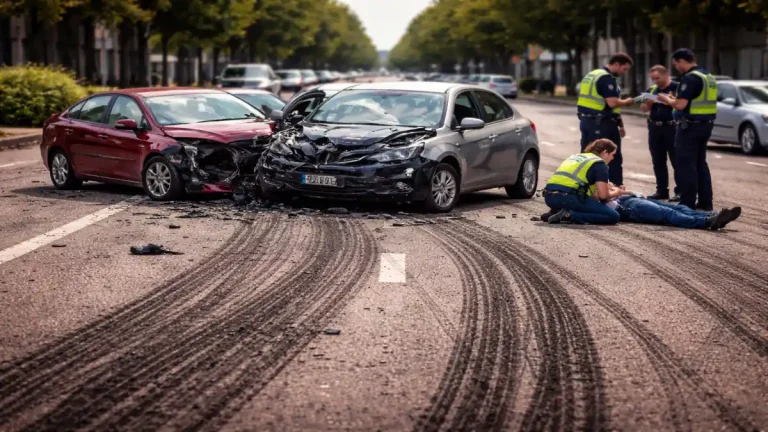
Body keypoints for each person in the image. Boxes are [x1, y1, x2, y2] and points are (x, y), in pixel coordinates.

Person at [657, 48, 717, 211]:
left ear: (681, 61)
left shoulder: (690, 78)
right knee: (700, 164)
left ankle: (687, 202)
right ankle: (705, 202)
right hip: (706, 125)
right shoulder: (707, 76)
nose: (677, 68)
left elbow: (681, 105)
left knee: (685, 164)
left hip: (689, 126)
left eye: (676, 64)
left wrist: (666, 100)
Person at [576, 53, 636, 186]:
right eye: (624, 69)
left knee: (587, 155)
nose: (624, 72)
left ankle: (586, 187)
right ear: (616, 64)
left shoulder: (592, 74)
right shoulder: (606, 78)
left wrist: (620, 125)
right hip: (601, 123)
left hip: (587, 121)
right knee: (610, 156)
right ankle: (614, 189)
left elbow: (610, 108)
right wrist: (627, 101)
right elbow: (612, 103)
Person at [543, 139, 635, 225]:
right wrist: (617, 192)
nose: (612, 158)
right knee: (613, 216)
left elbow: (593, 196)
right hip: (568, 198)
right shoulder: (600, 164)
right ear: (605, 152)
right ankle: (570, 216)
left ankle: (554, 213)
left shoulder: (576, 157)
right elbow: (603, 197)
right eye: (612, 155)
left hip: (549, 197)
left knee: (587, 204)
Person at [607, 185, 741, 230]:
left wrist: (619, 190)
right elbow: (603, 196)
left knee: (679, 208)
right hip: (626, 207)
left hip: (630, 199)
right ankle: (706, 222)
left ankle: (715, 217)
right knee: (667, 213)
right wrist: (617, 191)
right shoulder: (593, 179)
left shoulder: (598, 173)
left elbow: (610, 190)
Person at [640, 65, 681, 201]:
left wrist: (669, 100)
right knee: (658, 161)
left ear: (666, 74)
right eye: (653, 78)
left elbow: (681, 105)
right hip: (655, 128)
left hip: (672, 127)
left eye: (657, 78)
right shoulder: (651, 90)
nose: (655, 81)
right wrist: (649, 103)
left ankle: (680, 191)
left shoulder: (676, 87)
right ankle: (661, 190)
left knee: (677, 161)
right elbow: (644, 108)